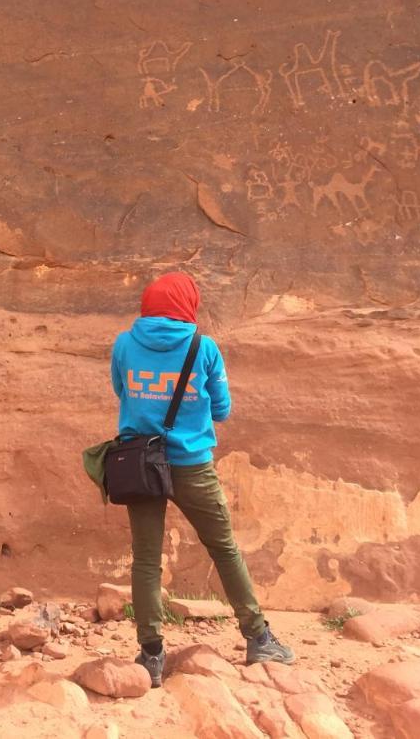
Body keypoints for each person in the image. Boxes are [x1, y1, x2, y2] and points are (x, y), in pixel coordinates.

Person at [110, 272, 293, 688]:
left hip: (141, 463)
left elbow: (122, 390)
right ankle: (258, 638)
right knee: (224, 549)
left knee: (145, 559)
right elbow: (222, 409)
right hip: (191, 463)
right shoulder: (203, 347)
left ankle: (152, 655)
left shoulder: (124, 343)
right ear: (187, 304)